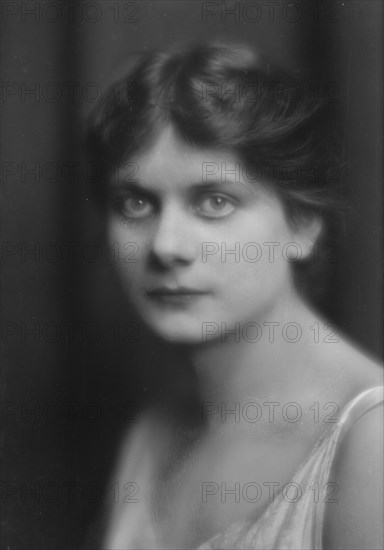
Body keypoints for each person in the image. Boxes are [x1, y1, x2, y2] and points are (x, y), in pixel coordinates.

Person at [85, 42, 383, 549]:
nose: (166, 246)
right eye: (136, 203)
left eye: (214, 202)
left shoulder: (371, 445)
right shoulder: (152, 435)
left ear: (303, 222)